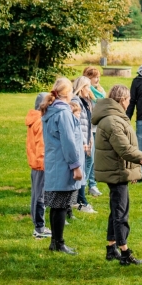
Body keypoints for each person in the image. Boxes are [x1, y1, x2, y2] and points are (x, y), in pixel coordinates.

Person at [93, 85, 142, 266]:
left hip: (118, 170)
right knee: (121, 212)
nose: (129, 103)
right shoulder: (113, 121)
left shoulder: (114, 118)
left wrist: (132, 170)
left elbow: (126, 149)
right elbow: (125, 150)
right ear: (121, 100)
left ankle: (111, 248)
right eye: (127, 99)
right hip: (115, 171)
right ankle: (125, 253)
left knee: (116, 209)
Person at [40, 78, 84, 255]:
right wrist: (76, 166)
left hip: (54, 163)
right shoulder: (63, 113)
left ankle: (54, 242)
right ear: (67, 93)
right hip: (63, 164)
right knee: (60, 205)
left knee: (56, 205)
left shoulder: (50, 111)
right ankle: (59, 243)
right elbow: (68, 142)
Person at [26, 92, 51, 239]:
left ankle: (38, 225)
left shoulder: (34, 119)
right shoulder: (41, 122)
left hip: (35, 163)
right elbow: (42, 146)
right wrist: (45, 164)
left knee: (36, 195)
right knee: (41, 196)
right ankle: (39, 228)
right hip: (41, 164)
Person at [71, 76, 97, 214]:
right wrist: (82, 142)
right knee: (81, 168)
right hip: (80, 141)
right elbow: (77, 124)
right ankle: (80, 200)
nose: (89, 89)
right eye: (87, 86)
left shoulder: (86, 101)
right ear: (81, 87)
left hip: (87, 137)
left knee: (89, 163)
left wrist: (90, 138)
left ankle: (78, 196)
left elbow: (87, 121)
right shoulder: (76, 101)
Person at [82, 66, 104, 197]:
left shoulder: (100, 91)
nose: (97, 79)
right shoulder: (85, 92)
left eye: (98, 76)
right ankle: (83, 185)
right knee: (89, 158)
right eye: (94, 77)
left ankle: (92, 184)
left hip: (98, 128)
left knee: (94, 158)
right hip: (89, 129)